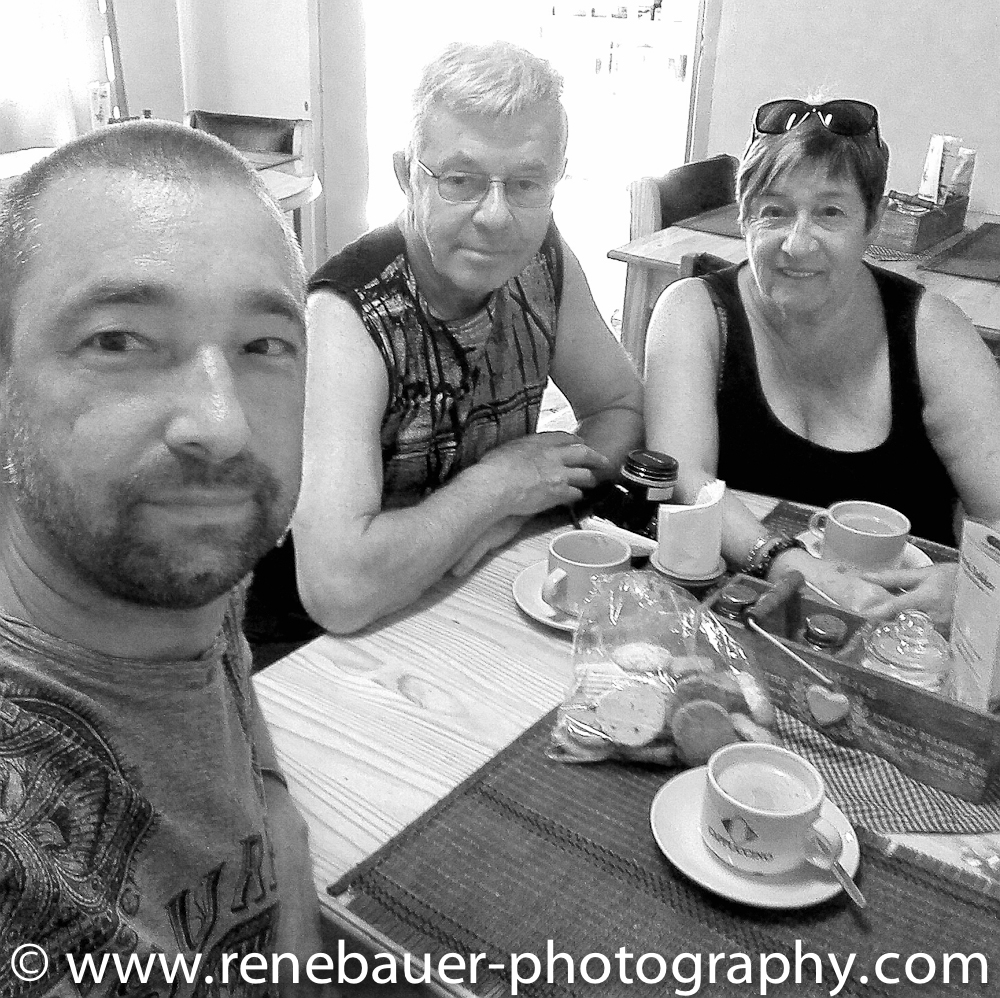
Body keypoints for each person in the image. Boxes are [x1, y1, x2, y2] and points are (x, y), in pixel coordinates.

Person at [0, 122, 334, 996]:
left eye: (262, 345)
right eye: (119, 340)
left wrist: (278, 814)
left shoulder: (169, 546)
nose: (222, 426)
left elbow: (225, 622)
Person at [246, 40, 643, 640]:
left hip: (466, 596)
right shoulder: (347, 314)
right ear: (406, 176)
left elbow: (620, 407)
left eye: (526, 184)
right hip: (322, 647)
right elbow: (338, 590)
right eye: (461, 180)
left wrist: (519, 505)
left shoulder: (543, 259)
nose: (497, 216)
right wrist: (495, 490)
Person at [644, 98, 1000, 621]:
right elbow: (683, 477)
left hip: (906, 630)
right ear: (743, 217)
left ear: (873, 222)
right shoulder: (694, 311)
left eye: (830, 212)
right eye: (774, 211)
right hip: (740, 621)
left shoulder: (933, 331)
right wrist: (792, 565)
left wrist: (973, 583)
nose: (797, 243)